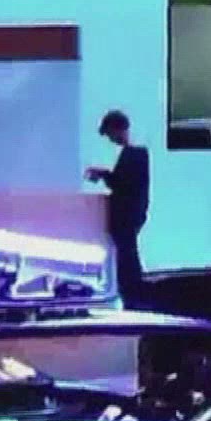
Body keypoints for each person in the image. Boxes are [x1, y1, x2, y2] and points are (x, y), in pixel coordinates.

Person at [85, 110, 149, 307]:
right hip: (129, 216)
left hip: (126, 217)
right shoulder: (135, 153)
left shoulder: (135, 153)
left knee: (127, 260)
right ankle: (133, 296)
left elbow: (123, 185)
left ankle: (134, 297)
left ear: (117, 129)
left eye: (110, 133)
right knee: (127, 258)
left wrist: (104, 174)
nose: (110, 139)